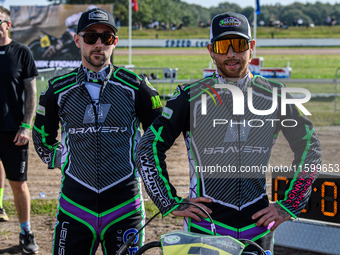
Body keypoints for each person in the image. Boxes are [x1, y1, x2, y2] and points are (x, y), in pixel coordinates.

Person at [135, 12, 322, 254]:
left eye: (239, 45)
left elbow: (310, 147)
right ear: (211, 50)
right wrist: (167, 201)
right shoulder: (190, 96)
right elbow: (148, 147)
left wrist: (291, 204)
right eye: (223, 45)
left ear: (251, 48)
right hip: (206, 227)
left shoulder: (276, 95)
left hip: (258, 226)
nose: (231, 53)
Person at [33, 8, 162, 254]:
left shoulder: (135, 86)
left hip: (124, 206)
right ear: (77, 40)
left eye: (107, 38)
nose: (99, 44)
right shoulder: (58, 89)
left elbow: (159, 137)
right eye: (91, 37)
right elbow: (41, 134)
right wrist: (60, 160)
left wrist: (144, 163)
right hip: (75, 205)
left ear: (115, 41)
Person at [0, 6, 39, 254]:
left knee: (18, 183)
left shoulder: (21, 52)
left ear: (8, 24)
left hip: (13, 131)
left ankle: (26, 232)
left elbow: (31, 93)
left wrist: (26, 126)